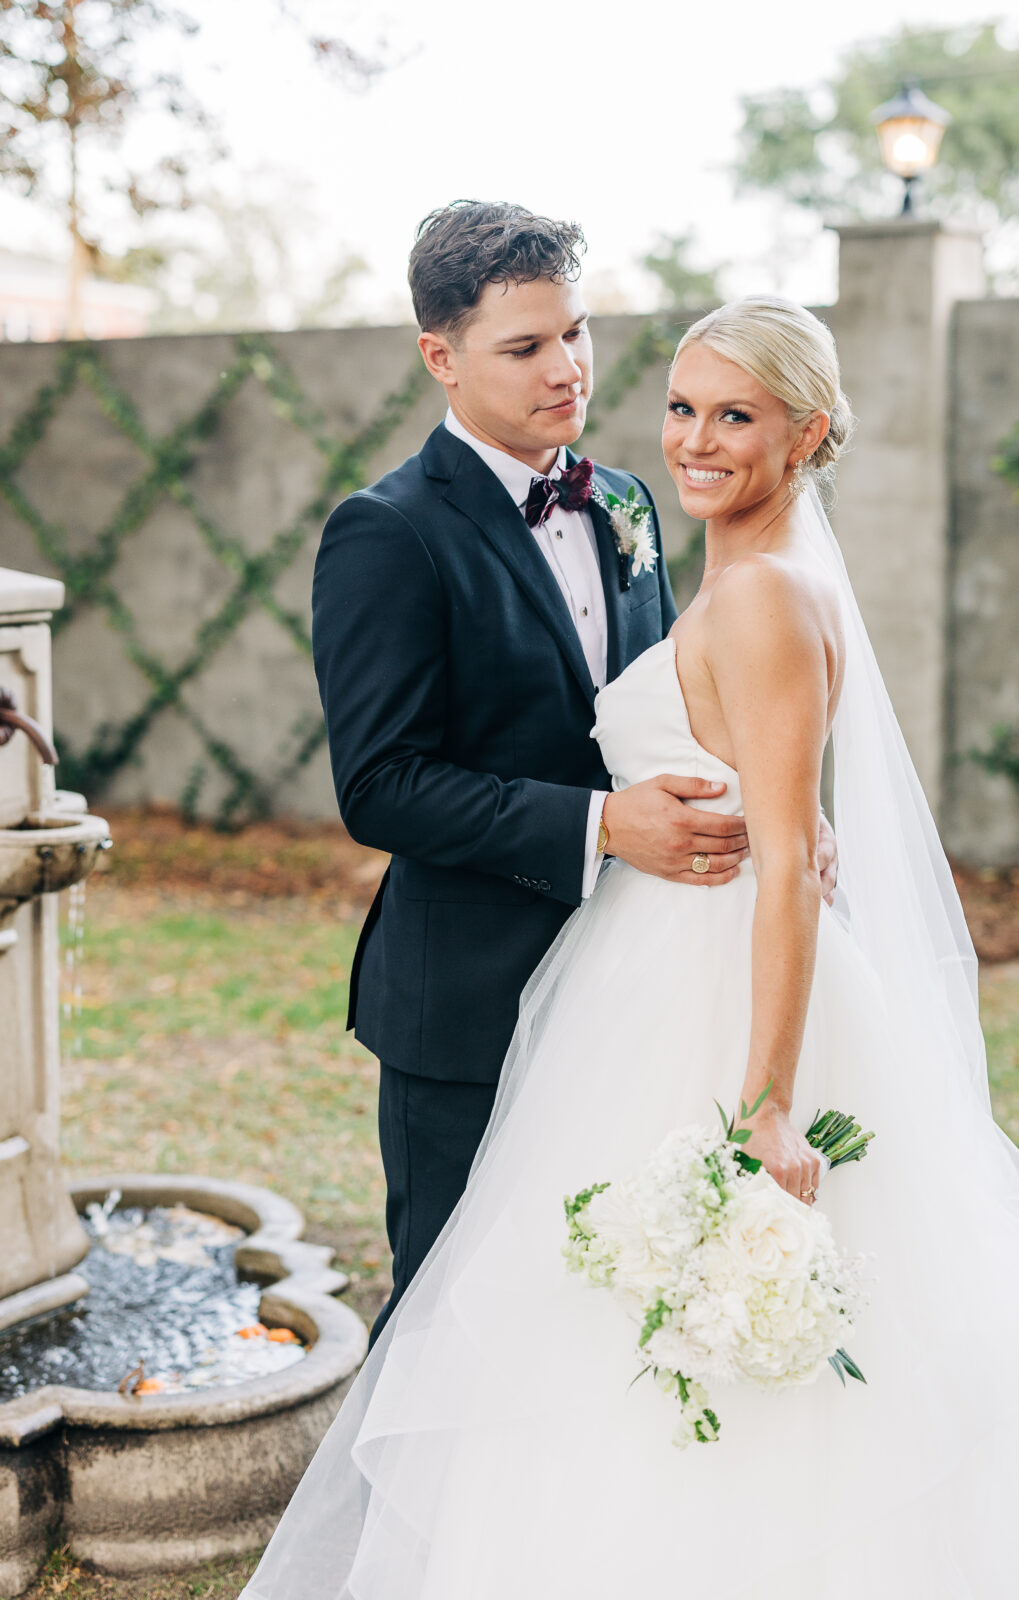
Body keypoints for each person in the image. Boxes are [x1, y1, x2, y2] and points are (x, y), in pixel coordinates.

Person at [245, 293, 1019, 1599]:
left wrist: (765, 1106)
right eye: (679, 407)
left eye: (731, 416)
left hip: (712, 999)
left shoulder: (761, 594)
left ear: (804, 433)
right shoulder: (716, 554)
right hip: (635, 967)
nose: (688, 441)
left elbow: (790, 856)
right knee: (596, 1320)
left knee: (670, 1344)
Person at [309, 200, 838, 1344]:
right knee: (452, 1329)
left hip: (644, 989)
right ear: (439, 359)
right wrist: (600, 824)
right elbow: (381, 783)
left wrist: (772, 804)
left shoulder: (630, 504)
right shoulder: (385, 533)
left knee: (602, 1322)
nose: (567, 371)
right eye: (524, 347)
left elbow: (684, 711)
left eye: (576, 332)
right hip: (470, 999)